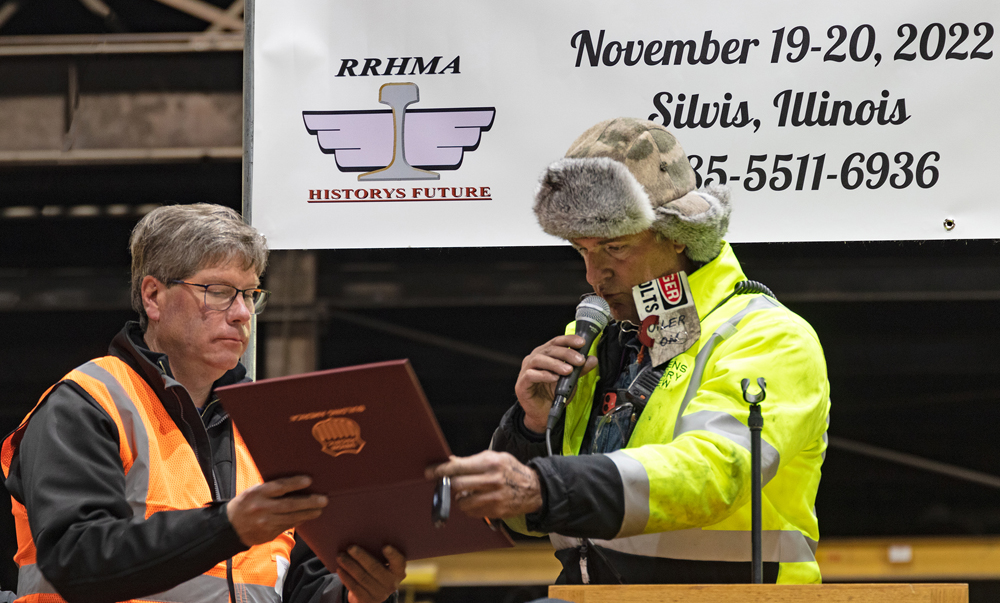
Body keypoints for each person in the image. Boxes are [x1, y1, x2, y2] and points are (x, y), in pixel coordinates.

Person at [427, 118, 831, 585]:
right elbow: (523, 517)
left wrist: (544, 485)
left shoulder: (769, 335)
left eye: (615, 247)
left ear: (679, 234)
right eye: (581, 250)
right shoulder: (599, 340)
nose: (594, 276)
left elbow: (714, 474)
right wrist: (532, 428)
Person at [1, 204, 405, 603]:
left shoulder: (262, 423)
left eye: (250, 294)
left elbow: (299, 583)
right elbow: (78, 559)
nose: (243, 313)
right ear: (153, 296)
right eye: (220, 292)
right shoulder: (88, 404)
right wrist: (227, 527)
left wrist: (354, 594)